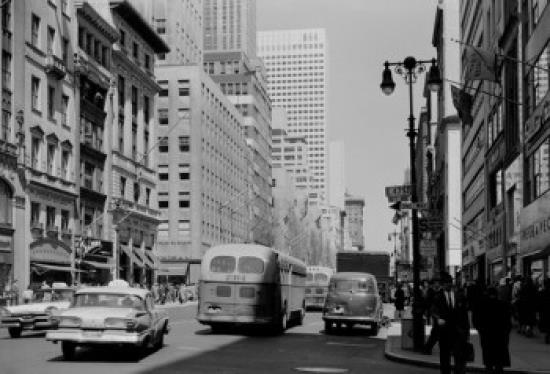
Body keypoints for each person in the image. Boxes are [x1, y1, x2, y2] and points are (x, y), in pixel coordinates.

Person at [431, 272, 470, 374]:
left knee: (459, 356)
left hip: (457, 332)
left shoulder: (459, 296)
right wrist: (438, 319)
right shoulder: (438, 297)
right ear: (443, 285)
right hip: (444, 332)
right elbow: (433, 310)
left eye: (450, 282)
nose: (448, 285)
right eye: (446, 283)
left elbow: (464, 315)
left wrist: (466, 332)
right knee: (444, 357)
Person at [474, 287, 512, 374]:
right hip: (500, 335)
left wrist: (480, 329)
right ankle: (498, 368)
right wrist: (506, 333)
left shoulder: (482, 305)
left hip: (487, 335)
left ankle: (489, 368)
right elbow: (508, 321)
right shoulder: (503, 305)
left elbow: (476, 320)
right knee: (499, 359)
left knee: (488, 358)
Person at [538, 279, 550, 344]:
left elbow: (539, 302)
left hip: (544, 311)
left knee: (545, 323)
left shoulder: (542, 292)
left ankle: (547, 335)